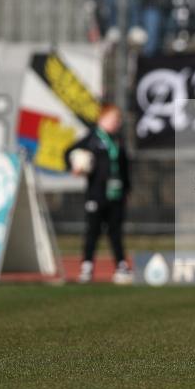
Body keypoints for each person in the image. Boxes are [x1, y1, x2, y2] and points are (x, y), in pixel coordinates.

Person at [65, 104, 133, 284]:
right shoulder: (92, 139)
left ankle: (121, 266)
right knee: (92, 231)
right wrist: (74, 167)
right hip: (96, 194)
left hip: (116, 194)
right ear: (102, 119)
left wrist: (127, 190)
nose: (116, 123)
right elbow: (68, 153)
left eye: (118, 120)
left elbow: (125, 167)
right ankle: (87, 266)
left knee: (115, 232)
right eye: (113, 119)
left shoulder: (118, 141)